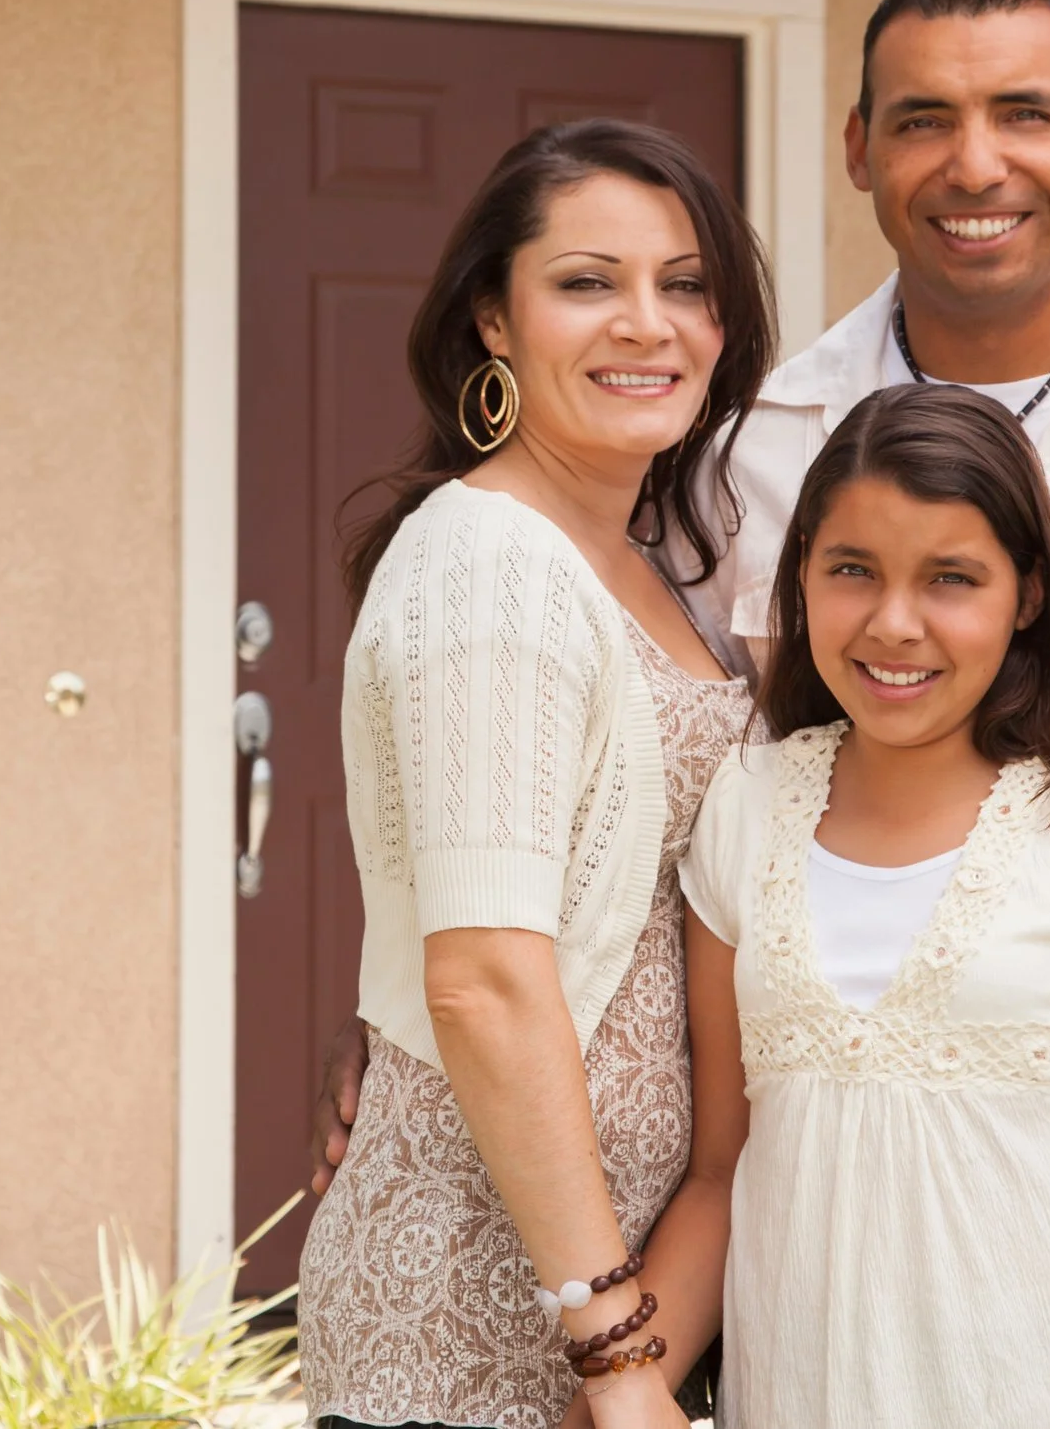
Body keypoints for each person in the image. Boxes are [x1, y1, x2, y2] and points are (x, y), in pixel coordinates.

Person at [313, 0, 1050, 1429]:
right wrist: (428, 998)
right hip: (796, 1272)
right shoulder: (740, 445)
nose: (974, 161)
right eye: (922, 118)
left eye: (1023, 112)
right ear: (860, 150)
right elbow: (602, 781)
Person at [295, 117, 776, 1429]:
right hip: (472, 1326)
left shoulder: (650, 569)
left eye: (685, 284)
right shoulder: (490, 561)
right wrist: (618, 1357)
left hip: (616, 1309)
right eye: (586, 282)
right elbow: (487, 978)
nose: (647, 322)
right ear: (492, 323)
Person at [657, 383, 1050, 1425]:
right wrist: (617, 1380)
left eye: (950, 579)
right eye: (851, 570)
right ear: (799, 578)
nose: (894, 624)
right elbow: (717, 1174)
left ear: (1026, 594)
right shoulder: (745, 808)